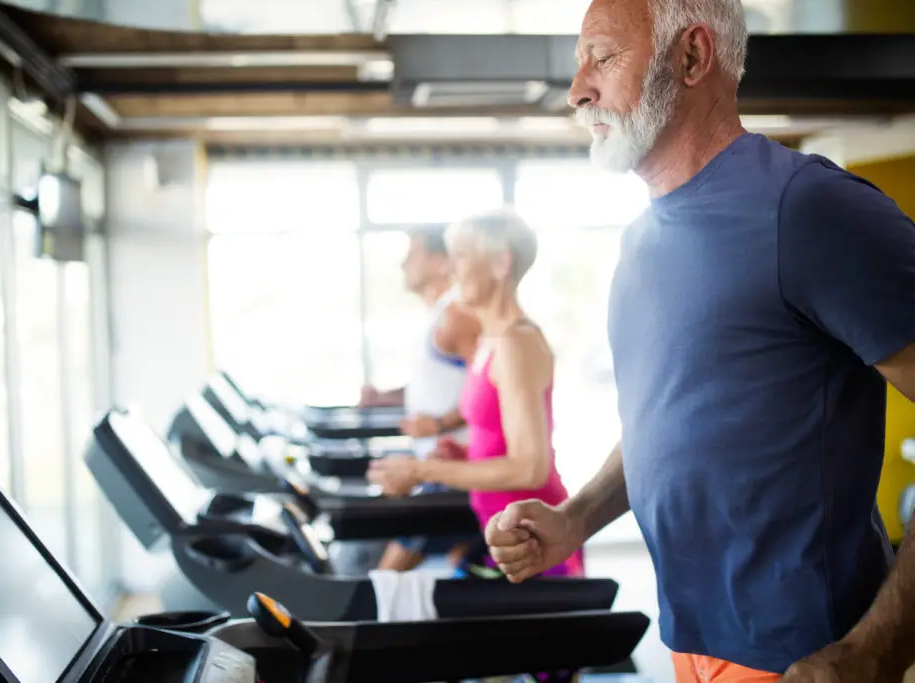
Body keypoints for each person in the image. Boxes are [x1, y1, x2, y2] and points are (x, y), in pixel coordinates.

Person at [483, 0, 915, 681]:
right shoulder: (640, 241)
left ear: (691, 56)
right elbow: (671, 422)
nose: (577, 90)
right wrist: (575, 519)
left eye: (603, 56)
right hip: (687, 645)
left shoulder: (809, 210)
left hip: (808, 660)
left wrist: (877, 648)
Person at [368, 208, 585, 579]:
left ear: (502, 263)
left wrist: (423, 470)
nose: (451, 269)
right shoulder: (491, 340)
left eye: (462, 256)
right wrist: (463, 453)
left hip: (534, 541)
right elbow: (499, 440)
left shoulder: (517, 342)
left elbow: (530, 467)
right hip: (501, 536)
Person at [360, 226, 482, 571]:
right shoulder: (437, 315)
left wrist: (442, 423)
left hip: (456, 467)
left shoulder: (457, 315)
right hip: (437, 463)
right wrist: (386, 397)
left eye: (412, 254)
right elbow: (438, 385)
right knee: (463, 568)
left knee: (387, 575)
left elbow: (491, 390)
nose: (403, 264)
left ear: (441, 263)